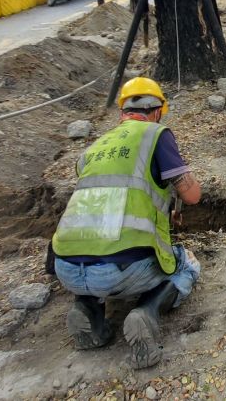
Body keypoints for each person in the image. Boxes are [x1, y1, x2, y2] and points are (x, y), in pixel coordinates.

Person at [52, 77, 202, 369]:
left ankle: (87, 309)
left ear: (122, 112)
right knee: (187, 265)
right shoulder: (155, 135)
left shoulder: (93, 148)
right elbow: (193, 195)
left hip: (65, 268)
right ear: (157, 111)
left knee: (96, 261)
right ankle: (146, 312)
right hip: (119, 271)